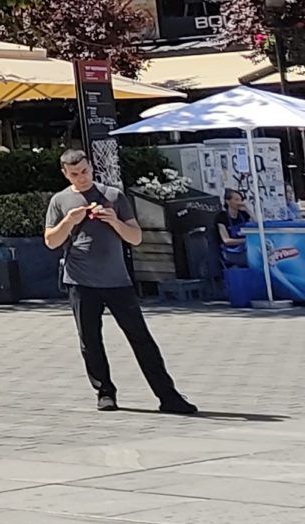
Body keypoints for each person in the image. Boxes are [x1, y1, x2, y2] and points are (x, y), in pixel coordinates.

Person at [44, 147, 196, 414]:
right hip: (80, 281)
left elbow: (135, 238)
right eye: (75, 174)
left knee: (141, 338)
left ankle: (168, 396)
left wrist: (114, 221)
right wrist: (68, 221)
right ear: (65, 174)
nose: (81, 178)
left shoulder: (113, 196)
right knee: (90, 340)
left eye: (85, 172)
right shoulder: (60, 201)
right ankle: (105, 392)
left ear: (91, 168)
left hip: (117, 280)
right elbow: (51, 241)